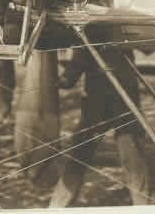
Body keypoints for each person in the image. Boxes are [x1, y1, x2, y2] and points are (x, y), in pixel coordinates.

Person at [50, 33, 149, 206]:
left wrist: (65, 79)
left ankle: (142, 205)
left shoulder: (120, 24)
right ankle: (58, 205)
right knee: (80, 155)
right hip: (98, 102)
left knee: (132, 156)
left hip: (122, 99)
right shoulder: (88, 28)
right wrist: (65, 79)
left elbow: (149, 47)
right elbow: (76, 65)